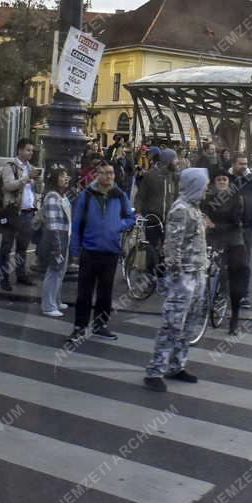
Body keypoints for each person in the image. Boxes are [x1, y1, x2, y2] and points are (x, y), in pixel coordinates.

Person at [143, 168, 210, 391]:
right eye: (204, 185)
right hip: (184, 277)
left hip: (197, 273)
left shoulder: (194, 208)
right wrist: (177, 275)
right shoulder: (181, 209)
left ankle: (176, 365)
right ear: (195, 185)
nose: (207, 189)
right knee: (173, 324)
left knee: (190, 324)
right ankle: (155, 371)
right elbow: (172, 246)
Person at [68, 162, 135, 341]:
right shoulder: (86, 196)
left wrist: (119, 226)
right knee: (84, 292)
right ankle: (79, 326)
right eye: (105, 173)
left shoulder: (119, 195)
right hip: (89, 251)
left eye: (111, 173)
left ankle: (100, 324)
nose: (109, 176)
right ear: (97, 175)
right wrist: (74, 249)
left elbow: (130, 217)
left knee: (106, 291)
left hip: (111, 251)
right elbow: (76, 224)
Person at [203, 171, 250, 334]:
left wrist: (215, 225)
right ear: (214, 182)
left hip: (233, 240)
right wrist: (204, 218)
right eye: (219, 179)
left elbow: (237, 222)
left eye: (225, 179)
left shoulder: (237, 198)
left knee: (236, 276)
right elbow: (203, 212)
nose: (222, 181)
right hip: (213, 239)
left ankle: (234, 318)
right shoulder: (208, 197)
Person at [0, 138, 42, 291]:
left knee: (22, 246)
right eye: (28, 150)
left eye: (32, 150)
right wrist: (27, 178)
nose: (31, 153)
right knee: (6, 246)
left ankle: (21, 274)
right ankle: (4, 278)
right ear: (20, 150)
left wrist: (38, 180)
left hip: (28, 213)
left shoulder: (31, 167)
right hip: (12, 212)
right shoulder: (10, 166)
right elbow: (9, 186)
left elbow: (38, 191)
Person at [134, 147, 179, 287]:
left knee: (167, 248)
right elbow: (140, 196)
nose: (177, 162)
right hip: (153, 217)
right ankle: (149, 274)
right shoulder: (150, 176)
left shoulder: (174, 176)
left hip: (169, 219)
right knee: (151, 247)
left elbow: (176, 195)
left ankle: (161, 275)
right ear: (167, 160)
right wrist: (138, 212)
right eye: (175, 159)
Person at [37, 168, 72, 318]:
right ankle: (48, 305)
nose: (66, 178)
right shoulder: (52, 197)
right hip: (56, 238)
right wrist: (57, 244)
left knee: (60, 271)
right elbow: (52, 224)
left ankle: (56, 301)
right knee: (54, 271)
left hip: (64, 236)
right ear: (54, 179)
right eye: (62, 176)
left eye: (66, 175)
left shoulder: (62, 195)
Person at [230, 153, 252, 309]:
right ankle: (223, 293)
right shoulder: (225, 179)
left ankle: (243, 295)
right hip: (227, 230)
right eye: (240, 163)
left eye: (245, 163)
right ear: (234, 164)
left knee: (244, 263)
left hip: (245, 229)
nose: (243, 166)